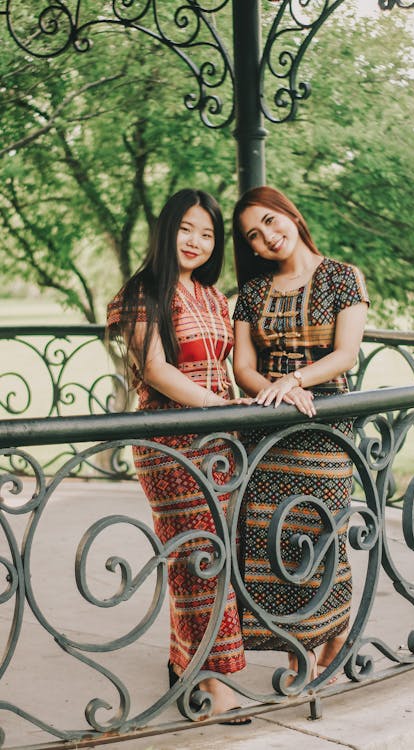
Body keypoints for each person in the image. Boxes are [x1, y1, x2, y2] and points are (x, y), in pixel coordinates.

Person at [106, 188, 252, 723]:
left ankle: (185, 661)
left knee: (221, 553)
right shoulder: (142, 293)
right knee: (198, 557)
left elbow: (233, 363)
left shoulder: (215, 298)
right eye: (186, 229)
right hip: (172, 446)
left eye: (207, 234)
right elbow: (157, 370)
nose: (195, 241)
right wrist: (221, 408)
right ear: (167, 231)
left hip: (221, 444)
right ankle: (217, 684)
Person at [231, 185, 369, 684]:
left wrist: (295, 380)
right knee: (273, 539)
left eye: (271, 221)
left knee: (320, 533)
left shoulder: (343, 277)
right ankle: (297, 651)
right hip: (268, 424)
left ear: (289, 214)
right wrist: (276, 390)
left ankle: (334, 632)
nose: (267, 237)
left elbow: (344, 355)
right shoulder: (251, 293)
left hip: (325, 421)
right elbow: (243, 366)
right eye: (253, 235)